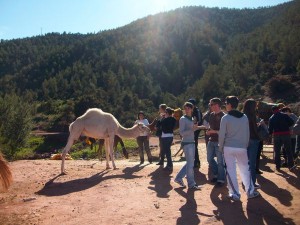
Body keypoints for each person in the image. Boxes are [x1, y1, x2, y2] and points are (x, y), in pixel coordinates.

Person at [219, 96, 260, 201]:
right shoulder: (244, 117)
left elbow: (222, 135)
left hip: (228, 147)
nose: (225, 105)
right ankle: (250, 191)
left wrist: (220, 147)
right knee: (245, 169)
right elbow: (247, 133)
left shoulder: (225, 118)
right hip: (242, 147)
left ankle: (235, 194)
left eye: (226, 103)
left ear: (229, 104)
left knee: (231, 170)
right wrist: (245, 145)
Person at [174, 102, 201, 190]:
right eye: (185, 108)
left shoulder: (192, 118)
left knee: (190, 163)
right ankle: (191, 184)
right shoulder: (182, 119)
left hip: (191, 142)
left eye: (189, 108)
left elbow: (193, 129)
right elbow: (181, 133)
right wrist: (192, 129)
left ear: (192, 109)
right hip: (187, 143)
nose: (187, 110)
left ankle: (179, 178)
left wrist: (200, 127)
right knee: (190, 164)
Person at [206, 98, 225, 187]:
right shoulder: (211, 115)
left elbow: (224, 131)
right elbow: (210, 125)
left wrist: (213, 131)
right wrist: (209, 130)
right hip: (211, 140)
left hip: (219, 141)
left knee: (220, 161)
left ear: (217, 105)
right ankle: (217, 174)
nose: (210, 106)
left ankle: (221, 179)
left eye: (211, 104)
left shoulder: (224, 116)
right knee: (209, 159)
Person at [268, 105, 295, 171]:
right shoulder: (285, 115)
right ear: (279, 109)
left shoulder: (271, 118)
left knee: (277, 151)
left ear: (272, 111)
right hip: (286, 134)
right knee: (288, 150)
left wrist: (270, 135)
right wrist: (286, 126)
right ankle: (291, 166)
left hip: (276, 136)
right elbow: (292, 122)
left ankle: (278, 166)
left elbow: (270, 130)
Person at [243, 99, 261, 189]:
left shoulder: (243, 116)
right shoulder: (252, 115)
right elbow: (254, 129)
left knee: (245, 163)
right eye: (255, 105)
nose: (256, 107)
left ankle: (245, 181)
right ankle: (252, 182)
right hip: (253, 140)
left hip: (244, 140)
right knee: (252, 163)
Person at [160, 107, 177, 171]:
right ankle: (169, 165)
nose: (164, 113)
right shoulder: (173, 119)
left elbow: (161, 126)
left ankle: (170, 165)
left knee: (167, 152)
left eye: (165, 112)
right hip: (170, 136)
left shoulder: (165, 119)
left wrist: (162, 118)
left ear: (168, 113)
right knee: (167, 151)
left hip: (165, 136)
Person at [187, 98, 203, 168]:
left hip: (196, 130)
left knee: (194, 146)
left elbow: (199, 121)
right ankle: (194, 161)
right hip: (191, 130)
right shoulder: (191, 111)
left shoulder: (197, 111)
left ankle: (197, 162)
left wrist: (195, 125)